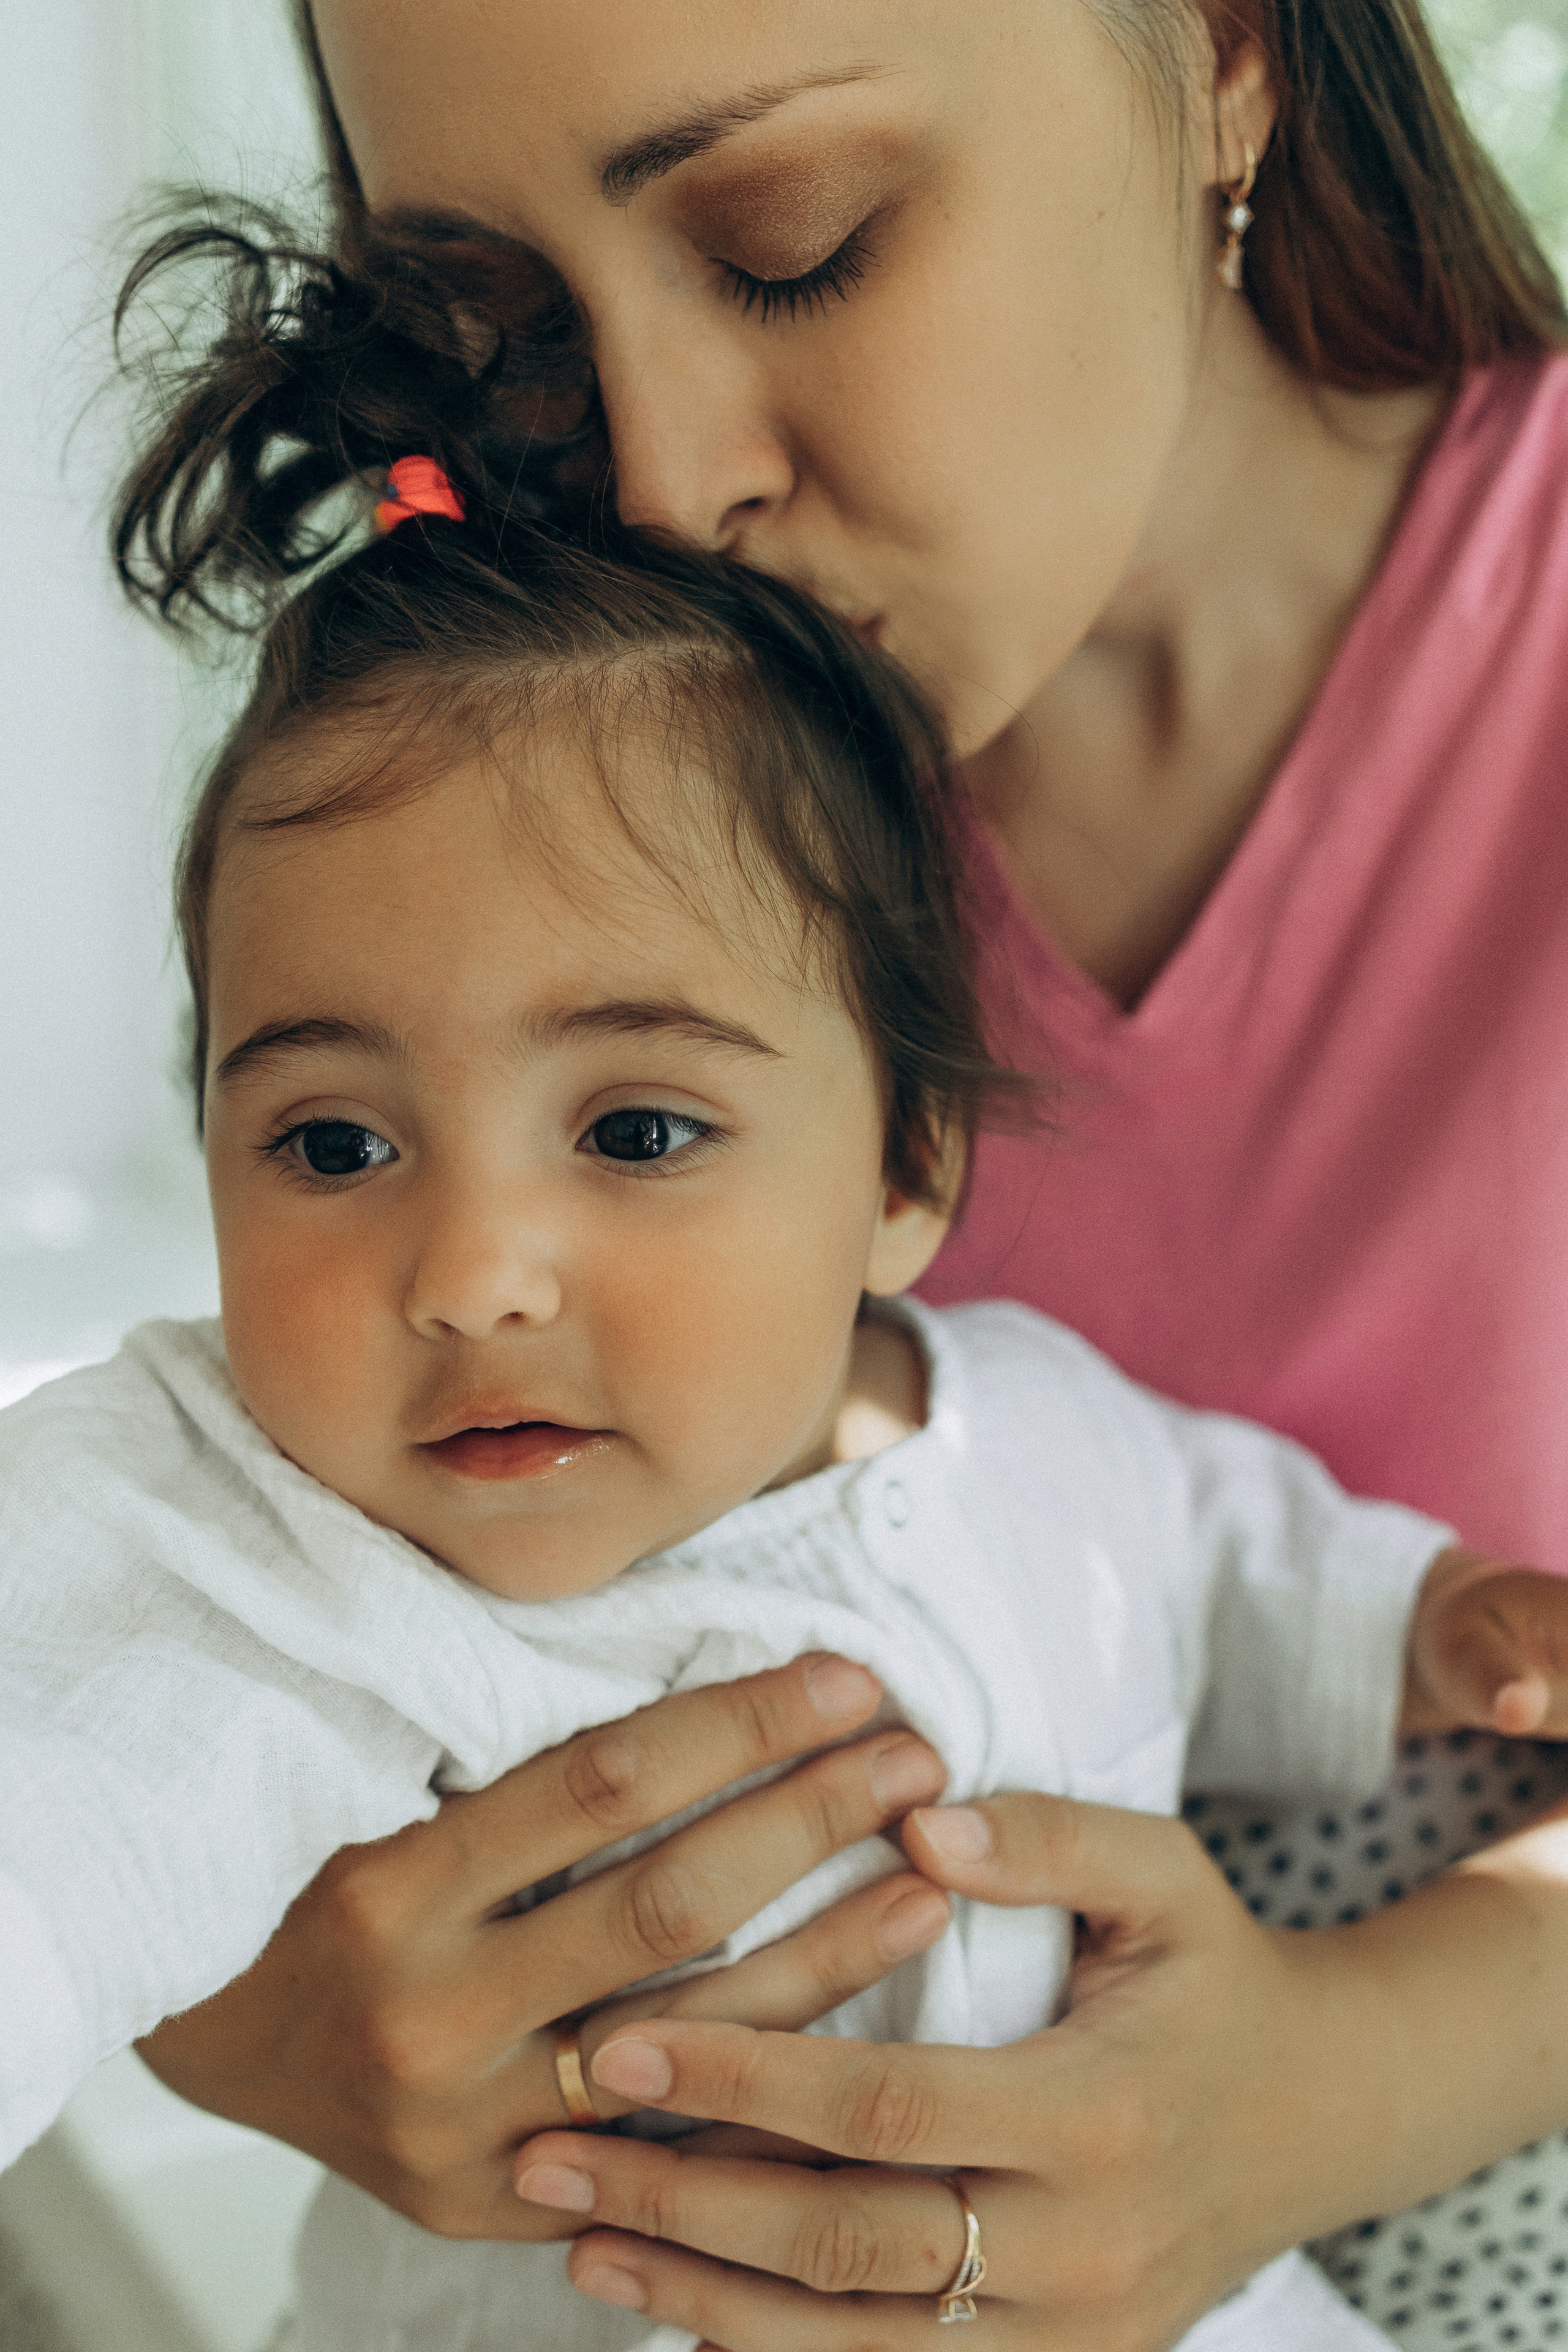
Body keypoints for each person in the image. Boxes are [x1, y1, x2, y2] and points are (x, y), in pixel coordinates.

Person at [100, 0, 1568, 2343]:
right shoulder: (535, 846)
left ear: (1222, 54)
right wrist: (232, 2013)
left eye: (796, 246)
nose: (667, 494)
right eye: (508, 352)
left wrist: (1332, 2089)